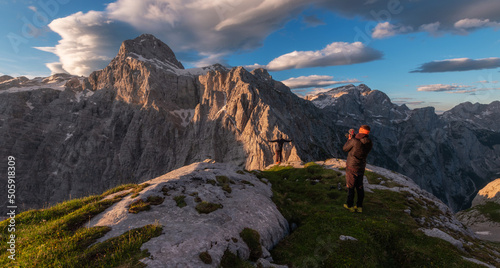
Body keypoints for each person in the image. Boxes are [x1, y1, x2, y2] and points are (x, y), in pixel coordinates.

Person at [342, 125, 373, 213]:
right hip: (361, 167)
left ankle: (349, 205)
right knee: (360, 186)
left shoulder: (354, 141)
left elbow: (345, 148)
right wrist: (354, 137)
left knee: (351, 186)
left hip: (351, 166)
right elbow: (360, 142)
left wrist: (349, 139)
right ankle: (359, 206)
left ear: (361, 130)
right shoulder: (369, 142)